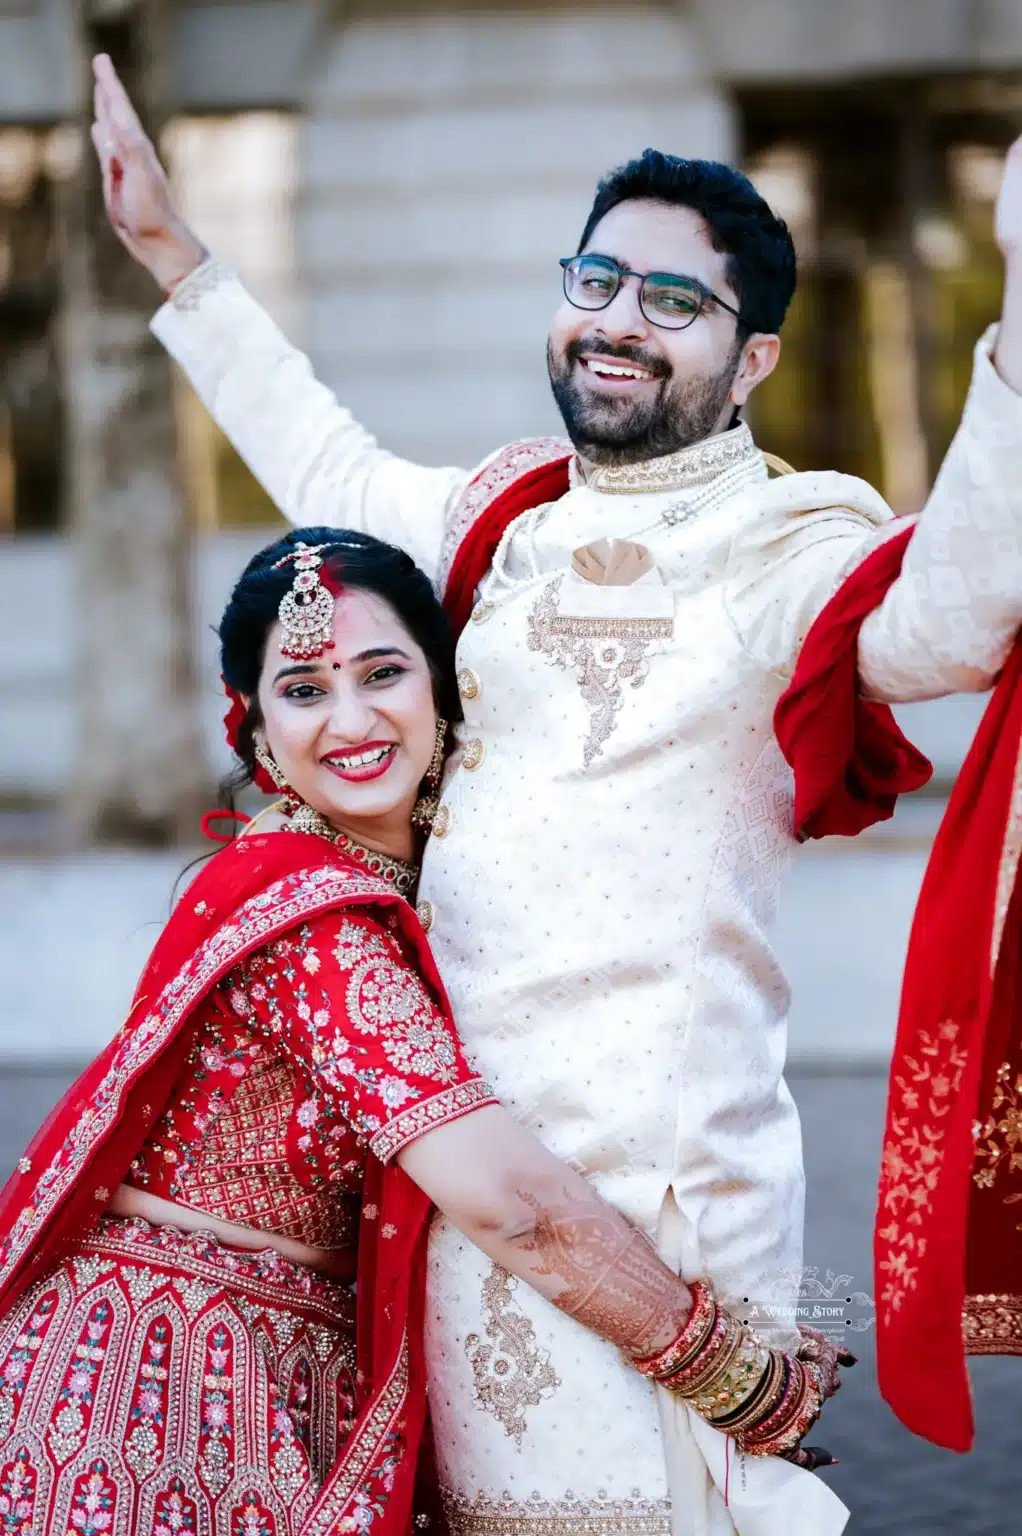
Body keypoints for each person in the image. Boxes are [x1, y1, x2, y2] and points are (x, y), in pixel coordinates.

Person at [90, 49, 1022, 1535]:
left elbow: (959, 616)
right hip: (459, 1201)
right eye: (598, 281)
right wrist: (171, 254)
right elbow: (319, 453)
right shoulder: (499, 521)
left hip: (673, 1225)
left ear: (754, 357)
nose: (618, 323)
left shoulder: (793, 544)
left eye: (673, 302)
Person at [0, 528, 846, 1536]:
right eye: (304, 689)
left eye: (381, 672)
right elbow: (509, 1202)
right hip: (157, 1390)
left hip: (272, 1373)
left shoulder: (421, 898)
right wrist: (733, 1378)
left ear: (445, 694)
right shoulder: (314, 925)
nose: (348, 718)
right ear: (259, 734)